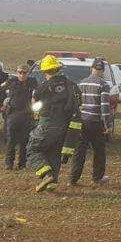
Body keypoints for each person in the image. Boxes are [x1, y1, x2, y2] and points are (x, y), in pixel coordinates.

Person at [26, 55, 78, 192]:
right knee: (54, 152)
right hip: (64, 127)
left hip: (46, 124)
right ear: (58, 68)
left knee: (33, 149)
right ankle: (52, 183)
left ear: (44, 71)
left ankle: (46, 175)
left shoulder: (42, 87)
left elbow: (34, 106)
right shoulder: (69, 85)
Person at [68, 59, 113, 186]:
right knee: (99, 151)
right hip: (96, 122)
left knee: (79, 151)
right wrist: (107, 125)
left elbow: (77, 104)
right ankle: (97, 178)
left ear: (91, 69)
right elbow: (104, 106)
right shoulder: (103, 84)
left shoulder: (82, 83)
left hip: (83, 121)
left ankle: (73, 178)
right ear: (103, 71)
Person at [1, 64, 34, 170]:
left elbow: (38, 93)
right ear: (17, 72)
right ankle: (9, 163)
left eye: (24, 72)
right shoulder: (12, 82)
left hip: (26, 115)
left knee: (25, 140)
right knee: (11, 140)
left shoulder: (32, 82)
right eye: (20, 72)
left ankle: (22, 164)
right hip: (13, 114)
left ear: (28, 73)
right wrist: (1, 105)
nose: (22, 75)